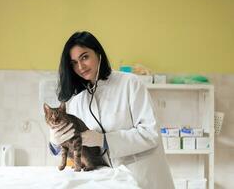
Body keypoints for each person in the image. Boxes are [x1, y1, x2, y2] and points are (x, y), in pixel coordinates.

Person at [49, 31, 175, 189]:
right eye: (74, 63)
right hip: (110, 181)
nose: (80, 67)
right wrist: (55, 142)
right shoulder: (78, 101)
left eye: (85, 57)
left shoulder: (130, 84)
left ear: (98, 53)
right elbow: (73, 145)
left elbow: (151, 134)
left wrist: (104, 140)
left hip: (144, 178)